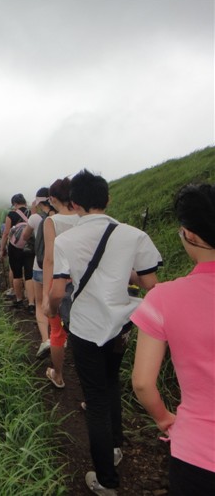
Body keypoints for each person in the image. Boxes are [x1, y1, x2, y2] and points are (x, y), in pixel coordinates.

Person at [48, 169, 162, 494]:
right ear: (107, 198)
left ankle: (106, 481)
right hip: (122, 325)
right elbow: (150, 285)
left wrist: (52, 310)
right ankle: (115, 446)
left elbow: (58, 291)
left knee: (95, 398)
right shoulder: (134, 235)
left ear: (74, 203)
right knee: (111, 382)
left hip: (85, 327)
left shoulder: (67, 240)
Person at [131, 183, 215, 495]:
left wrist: (165, 419)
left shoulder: (164, 298)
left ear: (189, 235)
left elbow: (142, 382)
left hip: (198, 453)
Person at [41, 178, 80, 388]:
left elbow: (49, 259)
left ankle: (58, 374)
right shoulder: (84, 217)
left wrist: (47, 295)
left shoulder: (52, 222)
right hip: (84, 283)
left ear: (54, 198)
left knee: (57, 332)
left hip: (60, 283)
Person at [20, 188, 54, 357]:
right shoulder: (67, 217)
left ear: (39, 202)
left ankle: (46, 339)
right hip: (62, 269)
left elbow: (25, 237)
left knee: (41, 304)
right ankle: (60, 335)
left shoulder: (35, 218)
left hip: (40, 266)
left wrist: (33, 211)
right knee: (59, 304)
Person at [0, 194, 35, 310]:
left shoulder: (11, 215)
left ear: (14, 203)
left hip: (15, 247)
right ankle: (31, 303)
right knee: (29, 275)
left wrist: (2, 249)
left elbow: (6, 234)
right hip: (30, 246)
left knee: (17, 274)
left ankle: (19, 300)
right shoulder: (32, 213)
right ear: (24, 202)